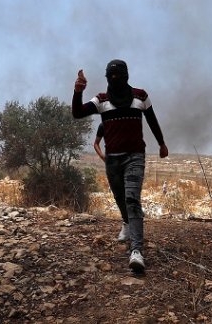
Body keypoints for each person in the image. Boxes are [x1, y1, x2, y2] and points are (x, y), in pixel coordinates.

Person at [72, 59, 169, 273]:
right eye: (111, 76)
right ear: (107, 78)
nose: (115, 79)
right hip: (113, 159)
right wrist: (78, 91)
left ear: (127, 76)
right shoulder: (101, 100)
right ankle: (126, 223)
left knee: (132, 199)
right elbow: (77, 112)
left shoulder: (140, 96)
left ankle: (137, 251)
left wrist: (162, 143)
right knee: (119, 197)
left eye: (119, 75)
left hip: (135, 156)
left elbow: (152, 121)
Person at [94, 123, 129, 242]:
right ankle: (126, 223)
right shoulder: (103, 125)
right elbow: (96, 143)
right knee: (118, 195)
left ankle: (132, 224)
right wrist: (104, 158)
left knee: (129, 193)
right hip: (112, 165)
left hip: (127, 163)